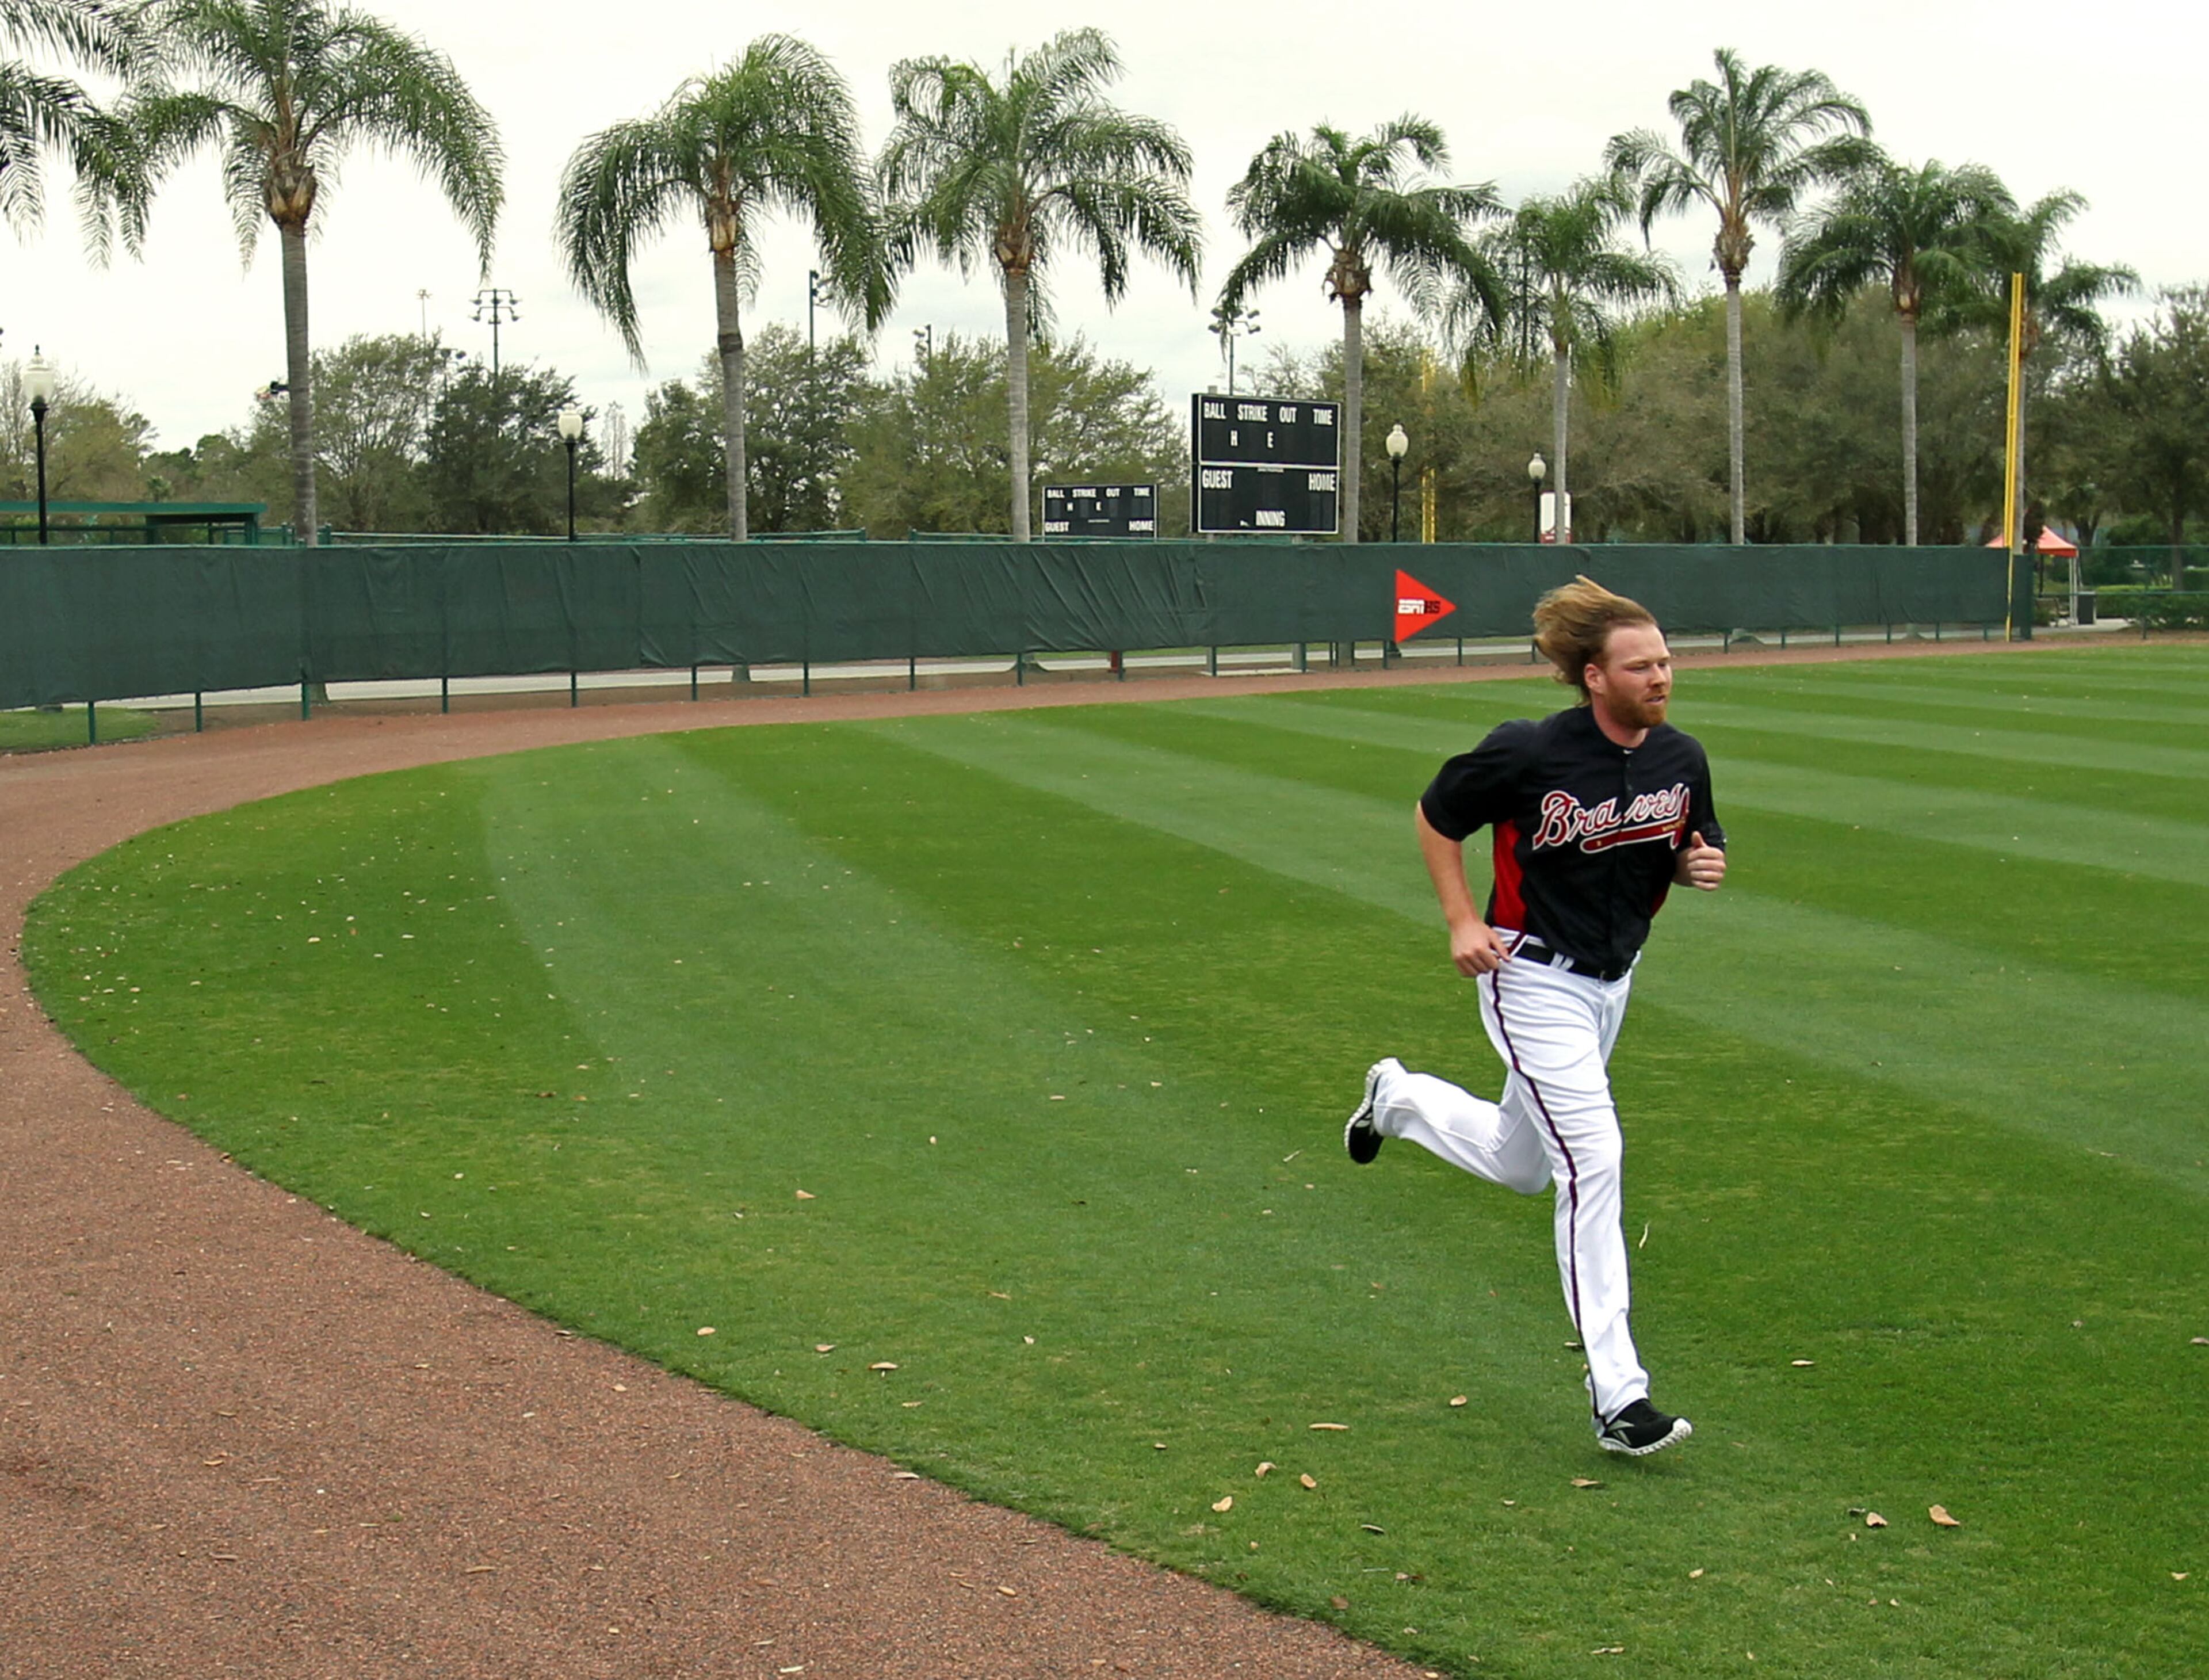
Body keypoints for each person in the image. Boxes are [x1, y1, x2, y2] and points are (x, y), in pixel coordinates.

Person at [1344, 575, 1726, 1456]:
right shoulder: (1529, 753)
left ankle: (1397, 1099)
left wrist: (1693, 867)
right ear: (1593, 677)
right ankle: (1619, 1398)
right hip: (1531, 980)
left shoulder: (1682, 758)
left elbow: (1685, 843)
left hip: (1612, 983)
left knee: (1522, 1164)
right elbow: (1438, 819)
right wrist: (1460, 920)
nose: (1661, 677)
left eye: (1666, 661)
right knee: (1593, 1158)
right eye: (1641, 666)